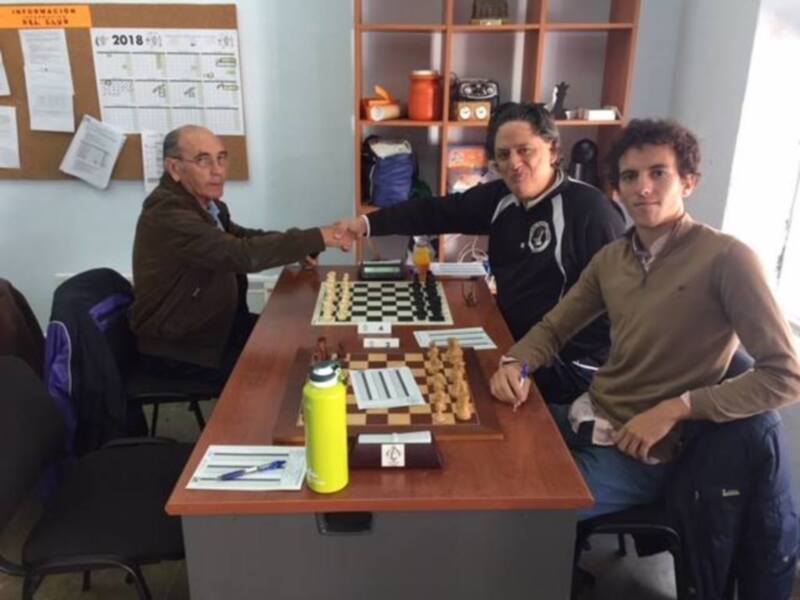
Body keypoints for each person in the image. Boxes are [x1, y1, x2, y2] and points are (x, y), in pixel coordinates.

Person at [490, 118, 800, 518]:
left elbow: (786, 377)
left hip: (644, 453)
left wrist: (678, 407)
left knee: (522, 510)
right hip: (588, 414)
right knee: (486, 447)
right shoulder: (612, 259)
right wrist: (518, 362)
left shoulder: (728, 259)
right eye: (630, 177)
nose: (643, 187)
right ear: (617, 191)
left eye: (658, 173)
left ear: (688, 181)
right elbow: (554, 328)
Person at [336, 102, 626, 404]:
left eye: (525, 150)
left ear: (553, 150)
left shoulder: (592, 212)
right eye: (503, 155)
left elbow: (617, 312)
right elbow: (436, 211)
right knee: (410, 369)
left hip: (564, 368)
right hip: (509, 343)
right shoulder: (502, 197)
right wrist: (364, 224)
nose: (514, 163)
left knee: (449, 403)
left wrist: (531, 363)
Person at [130, 125, 353, 385]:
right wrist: (319, 236)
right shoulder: (167, 214)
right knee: (291, 373)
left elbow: (243, 238)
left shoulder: (205, 205)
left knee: (299, 343)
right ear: (174, 169)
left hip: (219, 330)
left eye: (221, 158)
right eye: (203, 160)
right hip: (182, 351)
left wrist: (303, 246)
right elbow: (239, 254)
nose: (218, 171)